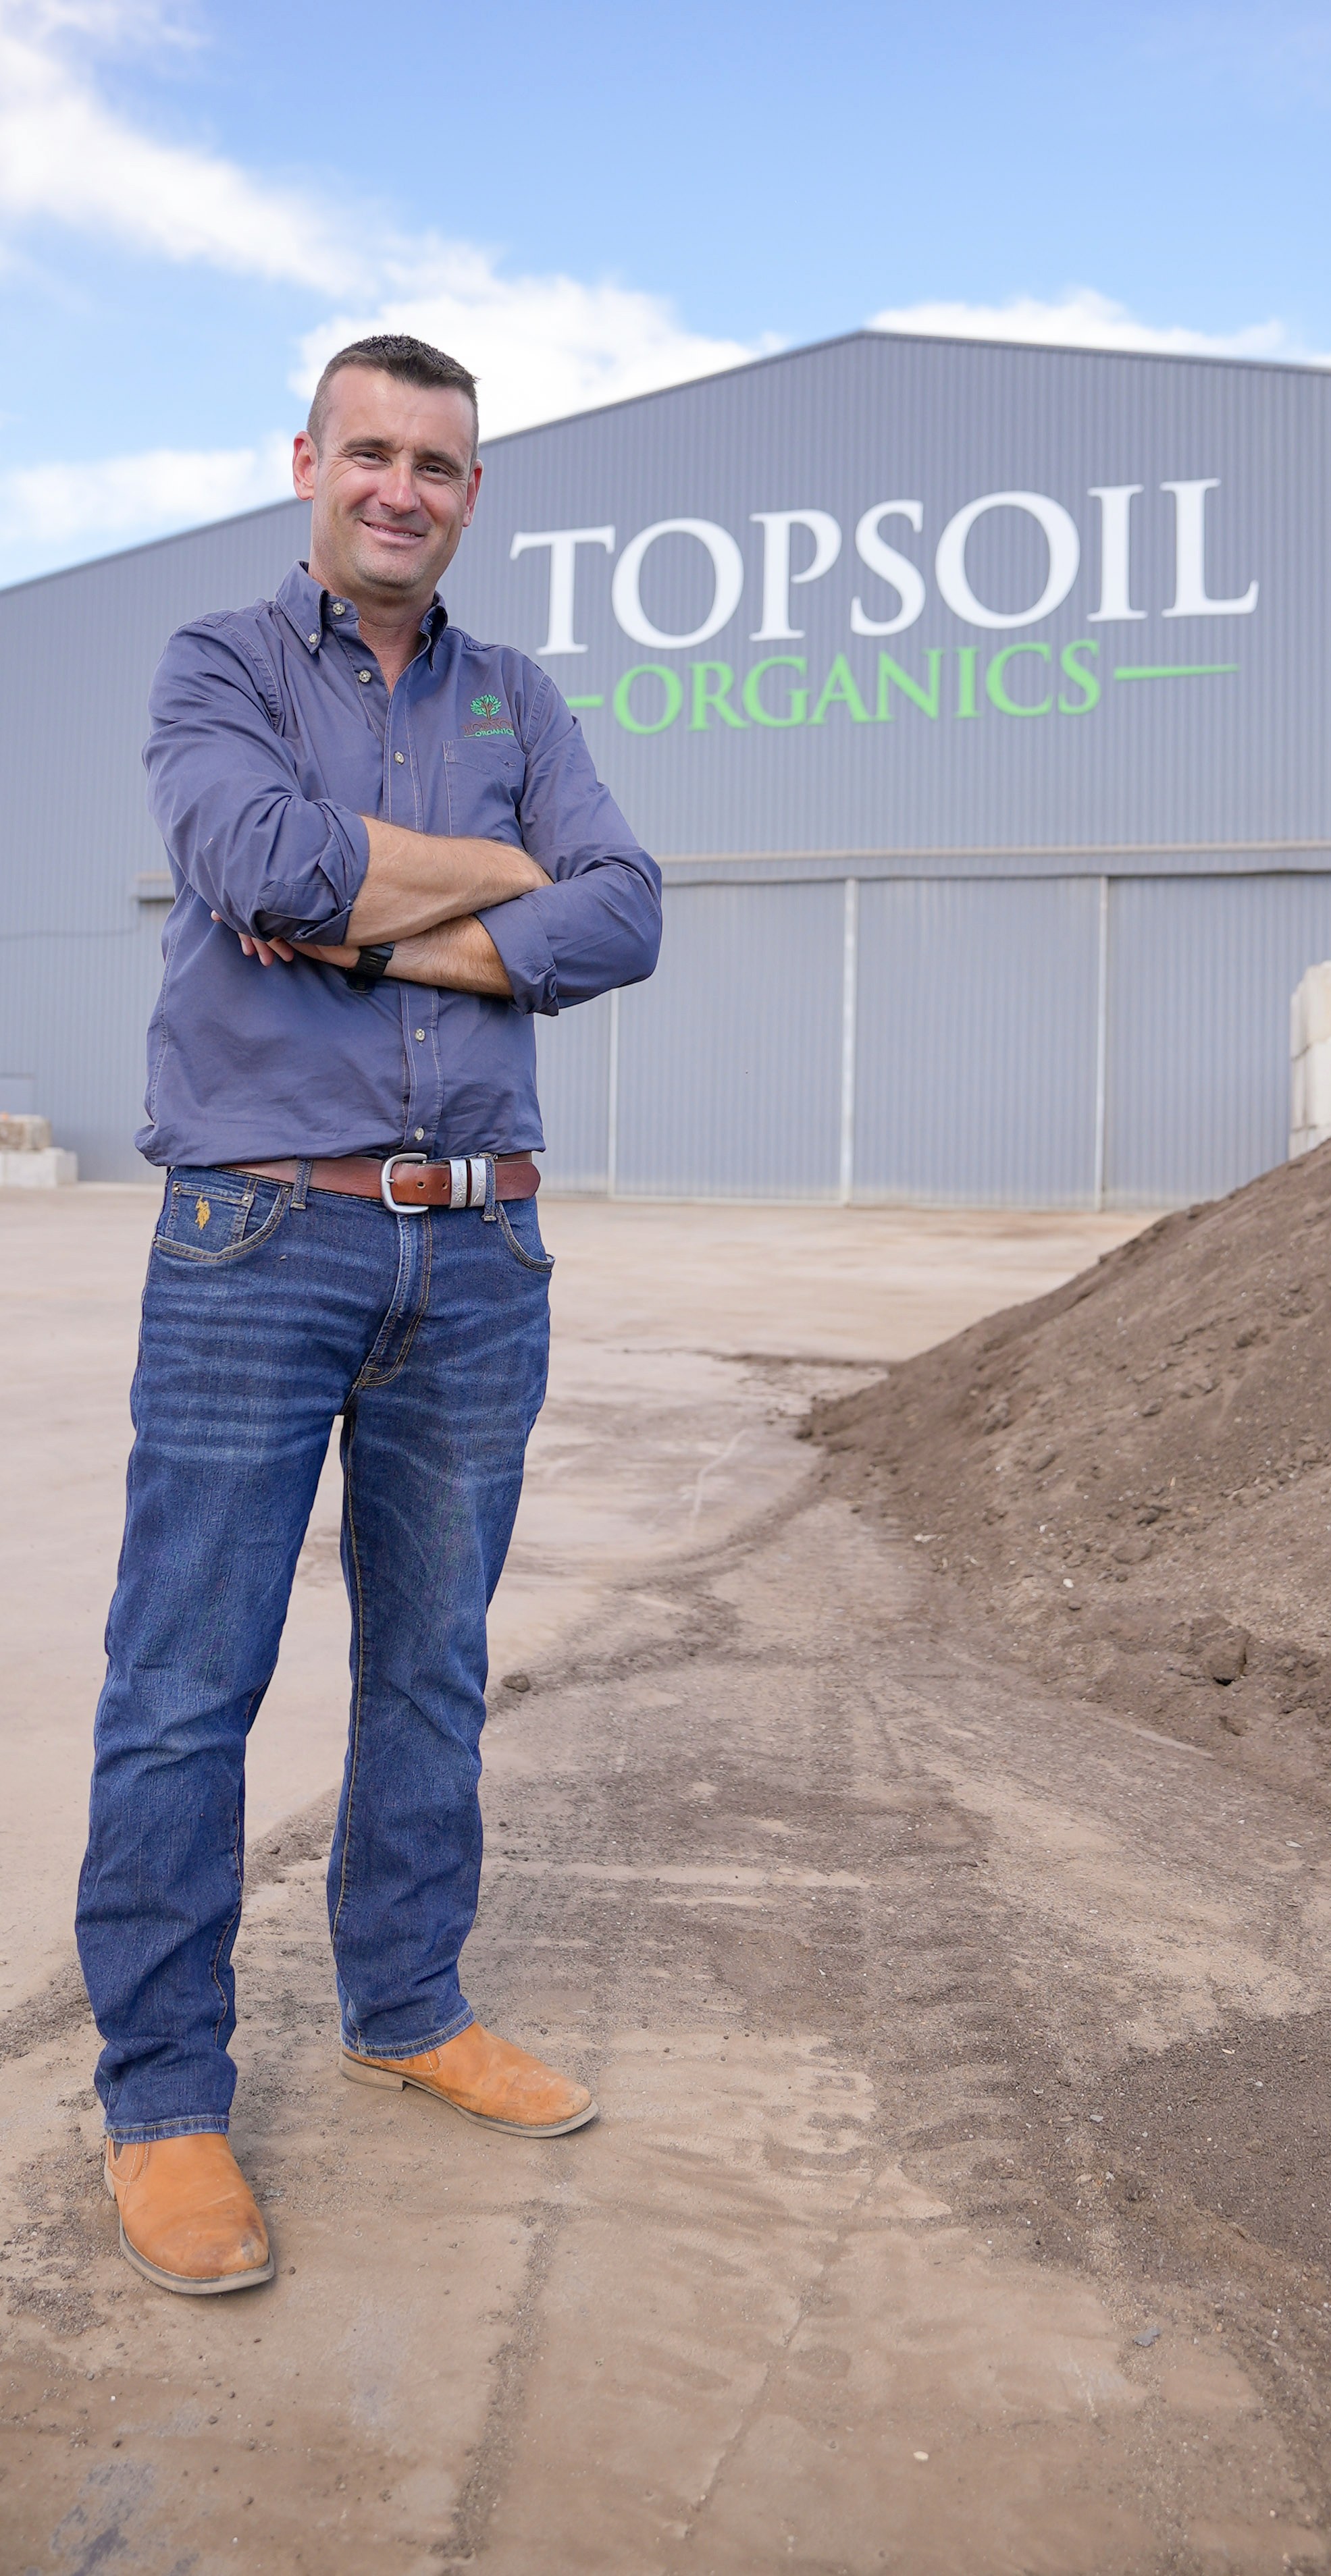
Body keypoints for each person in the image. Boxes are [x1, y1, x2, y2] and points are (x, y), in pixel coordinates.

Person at [75, 333, 662, 2298]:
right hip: (261, 1236)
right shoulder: (220, 667)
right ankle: (166, 2100)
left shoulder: (518, 695)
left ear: (471, 492)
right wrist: (502, 882)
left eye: (439, 461)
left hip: (480, 1255)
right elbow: (252, 859)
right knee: (186, 1681)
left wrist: (371, 916)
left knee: (431, 1668)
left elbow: (627, 907)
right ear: (308, 463)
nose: (402, 487)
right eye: (371, 452)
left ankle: (407, 2006)